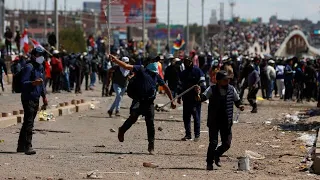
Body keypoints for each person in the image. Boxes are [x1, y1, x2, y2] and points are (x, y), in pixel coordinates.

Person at [109, 55, 176, 155]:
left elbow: (165, 87)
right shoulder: (141, 69)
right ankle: (122, 130)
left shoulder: (156, 76)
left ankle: (151, 146)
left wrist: (172, 100)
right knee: (133, 117)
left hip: (149, 103)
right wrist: (116, 60)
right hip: (138, 100)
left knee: (150, 123)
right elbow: (127, 66)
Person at [196, 70, 244, 170]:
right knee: (213, 142)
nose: (227, 82)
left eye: (228, 80)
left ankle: (217, 154)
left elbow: (237, 101)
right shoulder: (212, 89)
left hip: (226, 121)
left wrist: (240, 106)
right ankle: (209, 162)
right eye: (224, 80)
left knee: (226, 144)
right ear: (218, 81)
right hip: (214, 120)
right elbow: (202, 98)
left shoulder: (232, 89)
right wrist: (197, 95)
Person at [17, 47, 48, 155]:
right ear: (34, 55)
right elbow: (23, 83)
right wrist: (33, 83)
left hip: (36, 97)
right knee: (29, 122)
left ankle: (20, 146)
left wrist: (44, 97)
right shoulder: (29, 67)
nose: (41, 57)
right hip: (27, 97)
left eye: (42, 55)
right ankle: (27, 146)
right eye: (39, 55)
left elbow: (42, 83)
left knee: (27, 121)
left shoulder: (40, 67)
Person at [178, 56, 206, 142]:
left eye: (188, 61)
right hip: (186, 98)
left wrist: (199, 92)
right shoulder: (183, 73)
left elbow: (203, 85)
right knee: (186, 117)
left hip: (195, 98)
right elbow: (180, 86)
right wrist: (179, 97)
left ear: (191, 62)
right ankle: (188, 134)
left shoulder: (197, 71)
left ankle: (197, 134)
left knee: (196, 116)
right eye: (185, 62)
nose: (186, 63)